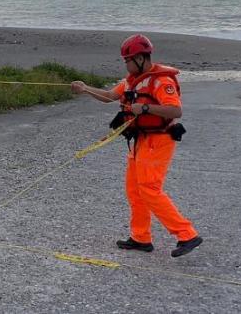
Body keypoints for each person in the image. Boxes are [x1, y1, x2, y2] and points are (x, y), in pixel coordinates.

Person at [71, 34, 203, 257]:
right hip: (140, 141)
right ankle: (140, 237)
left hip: (159, 140)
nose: (126, 64)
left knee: (149, 189)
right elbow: (110, 96)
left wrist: (144, 108)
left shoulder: (162, 81)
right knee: (134, 190)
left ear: (141, 58)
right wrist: (85, 89)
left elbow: (175, 111)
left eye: (128, 59)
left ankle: (186, 234)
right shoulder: (132, 80)